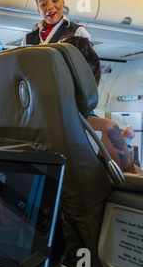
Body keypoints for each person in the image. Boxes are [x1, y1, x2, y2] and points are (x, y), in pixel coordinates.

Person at [60, 35, 143, 174]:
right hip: (93, 195)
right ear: (92, 82)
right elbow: (130, 176)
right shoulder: (106, 128)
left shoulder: (30, 119)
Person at [22, 0, 91, 46]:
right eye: (43, 4)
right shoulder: (28, 39)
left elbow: (85, 59)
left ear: (63, 1)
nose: (50, 7)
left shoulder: (78, 32)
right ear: (38, 9)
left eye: (55, 0)